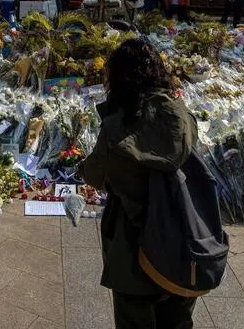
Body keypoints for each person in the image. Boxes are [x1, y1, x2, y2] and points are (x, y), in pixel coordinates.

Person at [78, 38, 198, 329]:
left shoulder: (118, 125)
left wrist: (82, 165)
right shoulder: (180, 115)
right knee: (178, 321)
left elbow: (96, 175)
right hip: (182, 242)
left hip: (134, 248)